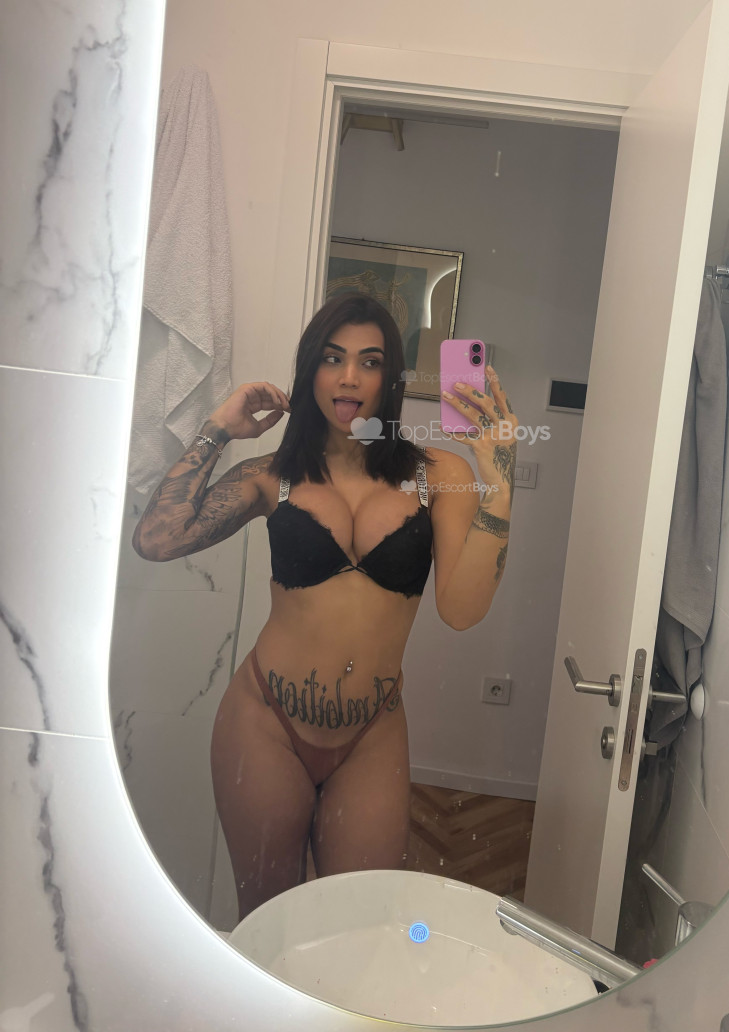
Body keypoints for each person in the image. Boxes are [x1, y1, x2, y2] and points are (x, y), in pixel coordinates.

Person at [133, 291, 518, 920]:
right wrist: (218, 429)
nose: (349, 377)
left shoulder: (438, 474)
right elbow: (156, 539)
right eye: (332, 358)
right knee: (268, 920)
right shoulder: (273, 475)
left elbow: (461, 610)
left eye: (370, 361)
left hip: (371, 738)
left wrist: (498, 482)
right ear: (309, 370)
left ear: (391, 379)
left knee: (357, 925)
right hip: (265, 727)